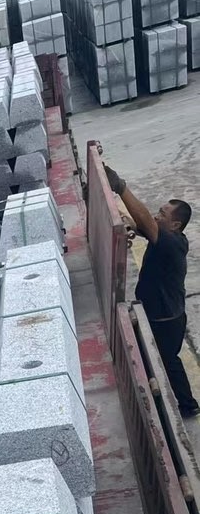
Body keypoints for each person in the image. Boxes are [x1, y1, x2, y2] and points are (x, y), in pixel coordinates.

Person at [103, 163, 198, 418]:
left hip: (165, 319)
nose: (157, 216)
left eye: (163, 214)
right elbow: (145, 226)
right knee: (165, 360)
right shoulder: (171, 239)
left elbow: (146, 221)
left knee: (167, 361)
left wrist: (121, 188)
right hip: (166, 313)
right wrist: (130, 224)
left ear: (175, 225)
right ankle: (180, 403)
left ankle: (187, 405)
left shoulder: (171, 244)